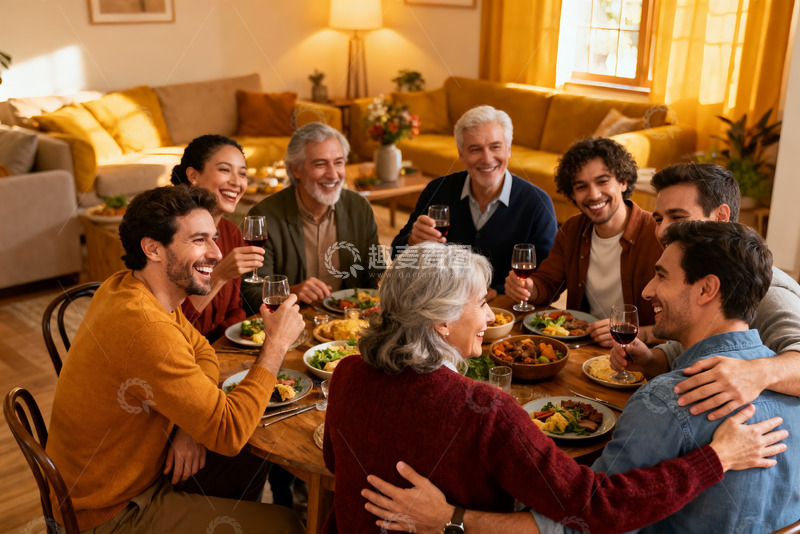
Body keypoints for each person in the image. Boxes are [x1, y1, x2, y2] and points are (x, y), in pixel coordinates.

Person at [321, 241, 787, 533]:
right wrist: (716, 458)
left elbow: (333, 461)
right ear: (441, 321)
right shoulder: (483, 407)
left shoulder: (346, 374)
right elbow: (597, 507)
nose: (490, 315)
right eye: (481, 303)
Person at [45, 185, 306, 533]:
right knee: (287, 524)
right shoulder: (146, 326)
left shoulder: (135, 288)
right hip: (108, 511)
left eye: (214, 238)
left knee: (248, 461)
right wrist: (275, 344)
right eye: (199, 240)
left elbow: (203, 351)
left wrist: (189, 425)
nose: (217, 253)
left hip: (138, 472)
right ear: (152, 248)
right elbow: (229, 430)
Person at [610, 162, 800, 420]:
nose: (662, 231)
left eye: (678, 218)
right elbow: (693, 350)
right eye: (659, 219)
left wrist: (755, 372)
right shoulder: (697, 276)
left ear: (721, 217)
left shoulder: (769, 291)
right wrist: (649, 360)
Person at [505, 136, 663, 346]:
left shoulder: (658, 234)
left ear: (623, 182)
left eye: (602, 181)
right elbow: (547, 284)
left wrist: (634, 334)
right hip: (584, 345)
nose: (594, 194)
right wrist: (527, 288)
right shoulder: (572, 229)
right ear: (572, 194)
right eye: (581, 187)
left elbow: (685, 323)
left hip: (642, 354)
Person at [390, 105, 558, 297]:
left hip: (505, 308)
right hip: (444, 305)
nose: (487, 159)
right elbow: (396, 255)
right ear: (461, 154)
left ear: (509, 149)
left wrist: (499, 291)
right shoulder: (438, 190)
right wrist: (412, 242)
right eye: (475, 149)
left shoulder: (537, 204)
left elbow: (549, 278)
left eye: (495, 147)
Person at [242, 122, 381, 310]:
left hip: (350, 319)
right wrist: (291, 293)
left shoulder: (359, 207)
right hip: (293, 321)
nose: (333, 174)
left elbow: (375, 274)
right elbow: (250, 293)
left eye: (339, 162)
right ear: (296, 169)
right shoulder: (264, 216)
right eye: (320, 164)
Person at [171, 134, 264, 341]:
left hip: (220, 349)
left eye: (242, 174)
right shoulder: (172, 235)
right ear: (193, 176)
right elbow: (172, 326)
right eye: (224, 170)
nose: (236, 182)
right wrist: (220, 275)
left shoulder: (232, 232)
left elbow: (235, 310)